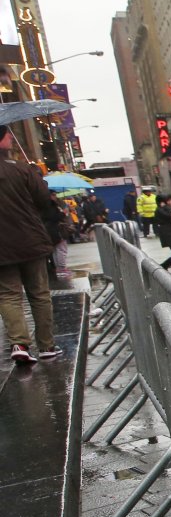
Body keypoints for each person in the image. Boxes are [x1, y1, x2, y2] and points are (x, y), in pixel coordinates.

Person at [0, 126, 61, 363]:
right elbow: (44, 201)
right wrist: (38, 179)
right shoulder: (22, 170)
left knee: (8, 295)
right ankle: (46, 346)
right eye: (8, 136)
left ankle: (19, 343)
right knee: (39, 294)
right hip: (30, 241)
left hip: (2, 249)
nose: (12, 140)